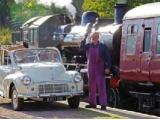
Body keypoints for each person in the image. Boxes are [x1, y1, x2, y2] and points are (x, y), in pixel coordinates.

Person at [80, 32, 111, 110]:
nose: (94, 38)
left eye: (96, 36)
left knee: (101, 86)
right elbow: (81, 47)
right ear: (91, 38)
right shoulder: (88, 46)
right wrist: (85, 36)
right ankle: (92, 103)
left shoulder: (103, 47)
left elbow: (108, 58)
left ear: (98, 37)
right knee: (91, 86)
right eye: (93, 37)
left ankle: (103, 104)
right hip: (90, 67)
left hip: (99, 68)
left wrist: (107, 67)